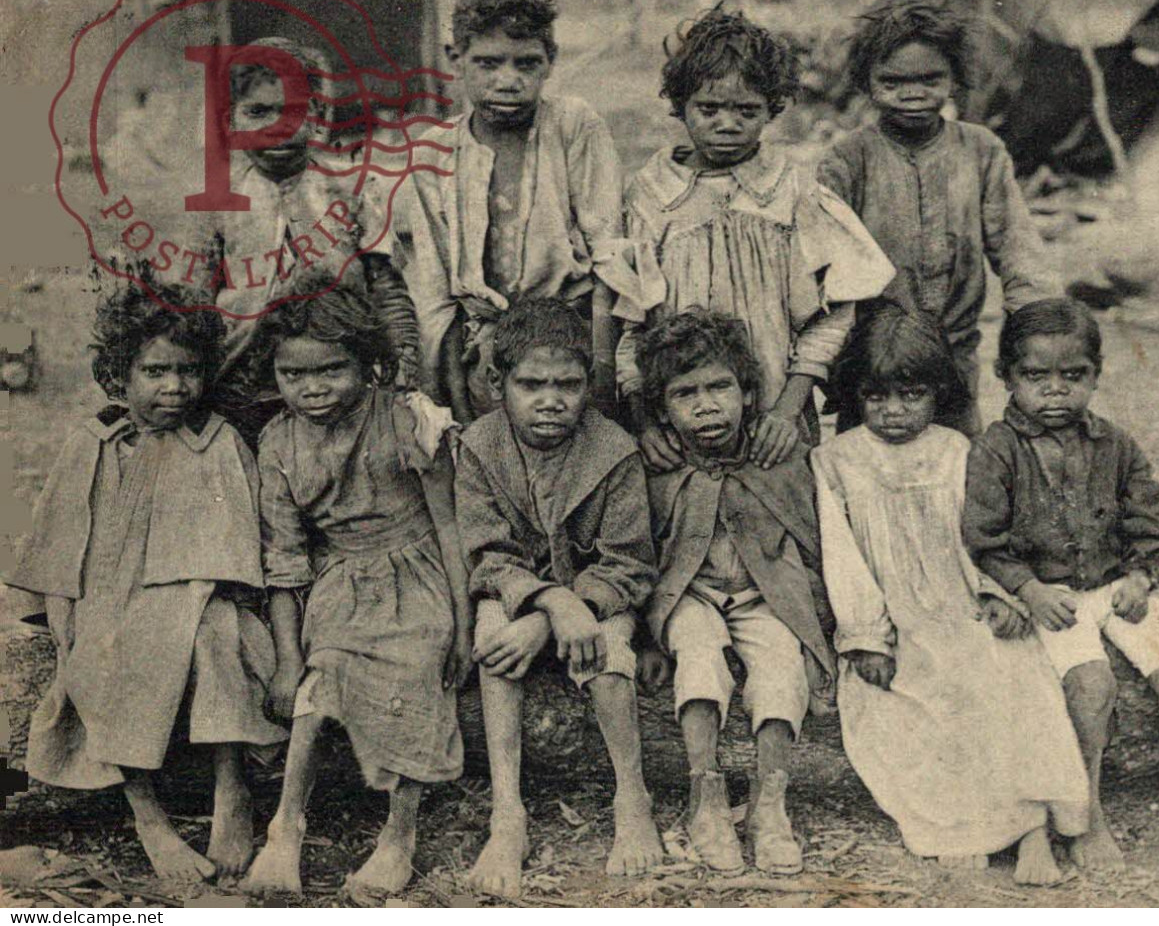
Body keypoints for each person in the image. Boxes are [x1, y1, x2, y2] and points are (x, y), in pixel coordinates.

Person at [961, 298, 1159, 866]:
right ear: (1005, 377)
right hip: (1054, 597)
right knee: (1093, 686)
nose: (1055, 391)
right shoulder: (995, 451)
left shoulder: (1114, 444)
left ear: (1096, 374)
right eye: (1035, 376)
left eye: (1074, 376)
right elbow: (983, 537)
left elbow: (1146, 516)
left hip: (1116, 585)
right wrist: (1028, 589)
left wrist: (1142, 574)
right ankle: (1086, 814)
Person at [11, 282, 285, 881]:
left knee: (217, 636)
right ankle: (148, 817)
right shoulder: (94, 443)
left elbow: (239, 554)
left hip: (202, 596)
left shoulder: (216, 443)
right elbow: (59, 549)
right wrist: (64, 618)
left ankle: (230, 790)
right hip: (110, 597)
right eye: (155, 371)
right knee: (95, 651)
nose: (173, 387)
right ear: (121, 373)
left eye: (187, 371)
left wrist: (198, 600)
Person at [812, 309, 1090, 883]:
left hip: (965, 604)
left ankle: (1035, 830)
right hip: (897, 621)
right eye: (877, 396)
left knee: (1013, 680)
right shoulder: (836, 461)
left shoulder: (958, 451)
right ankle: (970, 826)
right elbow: (843, 558)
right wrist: (866, 635)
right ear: (855, 395)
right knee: (911, 708)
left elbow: (988, 534)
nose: (894, 412)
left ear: (938, 391)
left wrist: (999, 595)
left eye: (911, 395)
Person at [242, 275, 470, 896]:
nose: (313, 389)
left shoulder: (406, 419)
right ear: (276, 375)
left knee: (418, 665)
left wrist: (463, 624)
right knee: (322, 682)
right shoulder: (278, 444)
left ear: (369, 365)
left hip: (420, 572)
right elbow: (285, 562)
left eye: (331, 371)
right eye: (294, 376)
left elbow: (449, 525)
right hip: (340, 580)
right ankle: (285, 827)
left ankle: (400, 834)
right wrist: (289, 660)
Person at [619, 5, 894, 471]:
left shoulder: (794, 191)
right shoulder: (649, 196)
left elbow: (835, 313)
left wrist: (787, 410)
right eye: (709, 109)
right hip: (681, 424)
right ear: (680, 104)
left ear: (772, 109)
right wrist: (647, 422)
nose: (727, 124)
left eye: (746, 110)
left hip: (774, 420)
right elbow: (631, 326)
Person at [454, 294, 664, 895]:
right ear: (499, 383)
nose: (551, 400)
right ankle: (507, 811)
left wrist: (568, 611)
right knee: (493, 640)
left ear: (588, 385)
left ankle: (632, 796)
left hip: (595, 600)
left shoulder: (613, 449)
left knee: (608, 654)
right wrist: (547, 602)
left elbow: (628, 563)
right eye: (532, 384)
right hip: (523, 597)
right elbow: (488, 555)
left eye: (568, 385)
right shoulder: (479, 445)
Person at [636, 310, 834, 876]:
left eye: (720, 387)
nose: (705, 405)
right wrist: (649, 642)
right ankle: (707, 798)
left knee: (780, 667)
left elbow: (811, 548)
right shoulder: (657, 469)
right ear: (663, 411)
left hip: (759, 594)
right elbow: (640, 561)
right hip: (689, 597)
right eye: (685, 394)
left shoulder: (777, 455)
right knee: (698, 657)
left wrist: (816, 632)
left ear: (749, 394)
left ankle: (771, 806)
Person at [399, 0, 647, 422]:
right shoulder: (432, 152)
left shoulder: (573, 127)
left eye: (526, 64)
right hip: (485, 356)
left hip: (570, 346)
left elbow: (608, 254)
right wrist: (454, 404)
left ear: (550, 61)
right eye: (489, 63)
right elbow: (437, 298)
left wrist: (602, 373)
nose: (508, 80)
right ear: (456, 59)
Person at [818, 0, 1050, 436]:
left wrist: (1035, 326)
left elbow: (1017, 248)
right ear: (867, 82)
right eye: (892, 81)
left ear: (955, 79)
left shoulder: (980, 151)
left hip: (955, 353)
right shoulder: (848, 159)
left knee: (958, 466)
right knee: (865, 468)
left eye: (930, 79)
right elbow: (823, 264)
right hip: (873, 361)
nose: (912, 93)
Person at [191, 37, 419, 447]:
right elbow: (194, 301)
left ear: (319, 117)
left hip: (340, 379)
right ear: (231, 122)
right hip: (242, 386)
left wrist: (403, 370)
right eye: (257, 112)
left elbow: (388, 290)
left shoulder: (353, 188)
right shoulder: (217, 202)